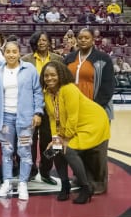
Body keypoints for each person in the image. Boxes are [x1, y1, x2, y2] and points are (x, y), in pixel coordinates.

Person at [40, 62, 111, 204]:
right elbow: (54, 119)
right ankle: (65, 186)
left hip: (92, 123)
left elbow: (73, 117)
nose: (49, 78)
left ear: (60, 75)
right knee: (55, 149)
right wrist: (56, 138)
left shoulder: (68, 89)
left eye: (53, 75)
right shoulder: (47, 93)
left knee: (68, 150)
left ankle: (86, 188)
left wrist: (65, 138)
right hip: (75, 125)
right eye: (46, 75)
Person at [0, 41, 44, 200]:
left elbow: (38, 93)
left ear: (19, 53)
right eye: (8, 52)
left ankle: (23, 183)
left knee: (25, 151)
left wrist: (38, 112)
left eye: (14, 51)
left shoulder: (29, 70)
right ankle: (7, 182)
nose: (11, 54)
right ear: (4, 54)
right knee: (7, 151)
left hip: (25, 118)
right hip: (5, 118)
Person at [63, 28, 114, 194]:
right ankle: (82, 177)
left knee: (97, 149)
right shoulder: (69, 58)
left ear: (93, 40)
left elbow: (107, 87)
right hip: (75, 111)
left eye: (87, 38)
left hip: (97, 111)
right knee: (79, 146)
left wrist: (95, 108)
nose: (83, 40)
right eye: (80, 38)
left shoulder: (103, 59)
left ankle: (98, 182)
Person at [21, 31, 64, 185]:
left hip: (52, 106)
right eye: (39, 40)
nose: (42, 42)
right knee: (30, 140)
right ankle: (31, 171)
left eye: (45, 40)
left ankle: (45, 171)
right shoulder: (25, 60)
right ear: (34, 42)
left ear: (49, 42)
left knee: (49, 140)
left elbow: (63, 81)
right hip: (31, 106)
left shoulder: (58, 59)